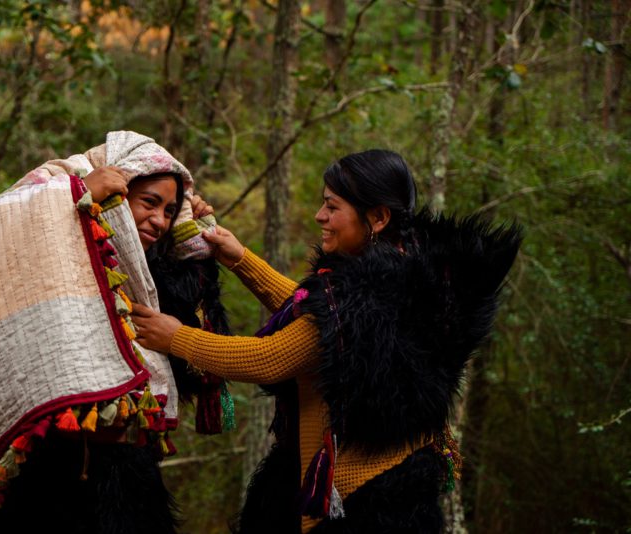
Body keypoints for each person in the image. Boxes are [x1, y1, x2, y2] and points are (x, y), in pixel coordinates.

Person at [132, 149, 522, 533]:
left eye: (332, 207)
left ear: (378, 217)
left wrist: (176, 336)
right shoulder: (413, 269)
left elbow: (270, 358)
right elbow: (317, 317)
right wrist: (240, 259)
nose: (321, 216)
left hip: (361, 501)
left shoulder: (365, 293)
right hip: (401, 481)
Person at [0, 131, 230, 533]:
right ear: (118, 193)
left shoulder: (150, 279)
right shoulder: (52, 255)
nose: (160, 221)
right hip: (49, 467)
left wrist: (193, 250)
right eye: (150, 202)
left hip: (129, 475)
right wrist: (74, 192)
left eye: (169, 211)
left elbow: (192, 373)